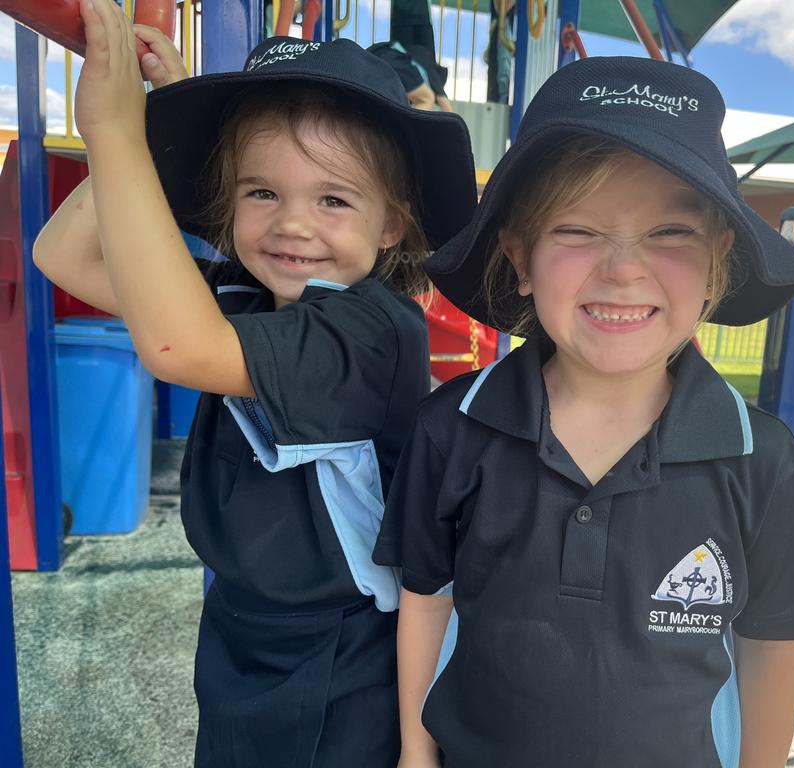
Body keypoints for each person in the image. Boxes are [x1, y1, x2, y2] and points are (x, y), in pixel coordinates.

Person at [373, 56, 794, 768]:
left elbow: (773, 645)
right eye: (576, 230)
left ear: (719, 260)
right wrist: (415, 750)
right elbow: (425, 594)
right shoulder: (452, 427)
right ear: (520, 257)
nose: (624, 268)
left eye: (669, 233)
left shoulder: (760, 459)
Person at [33, 2, 476, 765]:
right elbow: (62, 256)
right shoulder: (247, 295)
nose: (292, 224)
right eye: (261, 192)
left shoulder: (372, 331)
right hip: (240, 632)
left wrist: (115, 132)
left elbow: (176, 346)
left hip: (340, 658)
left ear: (391, 225)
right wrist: (161, 140)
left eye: (333, 199)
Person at [368, 41, 454, 112]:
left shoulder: (418, 62)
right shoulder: (434, 73)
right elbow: (448, 110)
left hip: (371, 57)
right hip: (392, 58)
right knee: (427, 99)